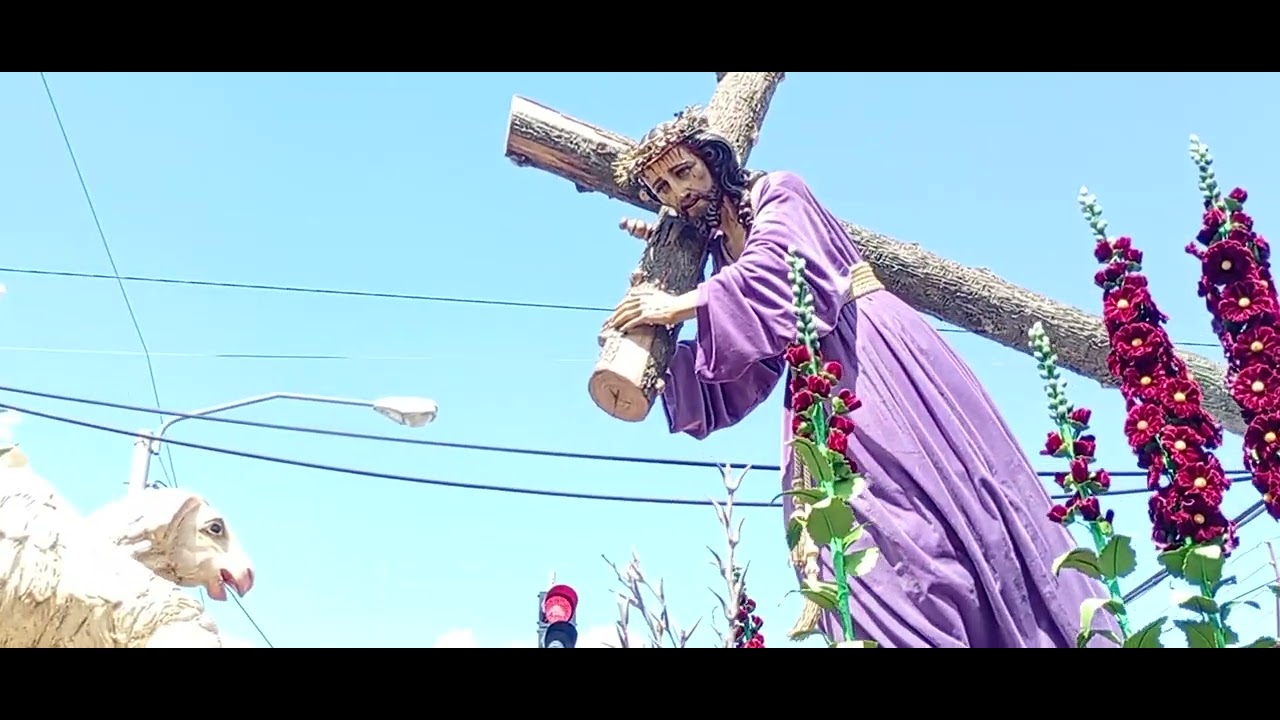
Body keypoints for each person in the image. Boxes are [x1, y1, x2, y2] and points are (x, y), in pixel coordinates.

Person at [602, 107, 1112, 648]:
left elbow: (782, 273)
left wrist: (677, 306)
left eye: (684, 172)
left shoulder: (780, 192)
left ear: (713, 159)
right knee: (854, 545)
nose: (677, 191)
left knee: (920, 518)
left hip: (876, 360)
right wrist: (659, 364)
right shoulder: (720, 255)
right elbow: (747, 360)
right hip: (816, 390)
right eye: (661, 186)